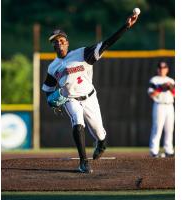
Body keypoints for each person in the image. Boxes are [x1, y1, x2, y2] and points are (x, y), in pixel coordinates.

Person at [42, 14, 139, 173]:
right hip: (70, 99)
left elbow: (107, 43)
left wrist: (125, 26)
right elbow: (47, 89)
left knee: (99, 131)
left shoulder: (82, 54)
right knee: (78, 122)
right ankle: (83, 162)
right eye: (55, 41)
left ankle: (101, 143)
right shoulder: (53, 67)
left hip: (89, 97)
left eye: (61, 40)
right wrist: (51, 102)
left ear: (67, 42)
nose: (59, 43)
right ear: (53, 46)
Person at [147, 61, 175, 157]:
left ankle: (169, 150)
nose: (162, 70)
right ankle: (154, 151)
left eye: (164, 68)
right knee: (157, 128)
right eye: (160, 68)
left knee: (169, 129)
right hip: (159, 105)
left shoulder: (171, 81)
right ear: (157, 69)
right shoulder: (154, 80)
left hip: (170, 106)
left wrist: (170, 88)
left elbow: (175, 94)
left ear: (167, 69)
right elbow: (151, 94)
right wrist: (161, 88)